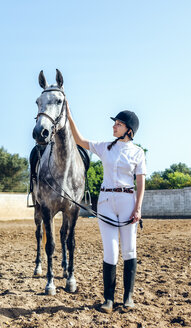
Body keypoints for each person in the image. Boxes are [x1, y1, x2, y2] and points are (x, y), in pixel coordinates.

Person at [66, 100, 146, 313]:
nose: (113, 126)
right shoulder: (104, 147)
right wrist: (69, 116)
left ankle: (128, 297)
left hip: (128, 202)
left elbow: (140, 183)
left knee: (129, 250)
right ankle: (109, 299)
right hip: (106, 202)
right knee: (110, 251)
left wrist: (138, 208)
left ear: (129, 130)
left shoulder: (138, 153)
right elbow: (79, 140)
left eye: (118, 124)